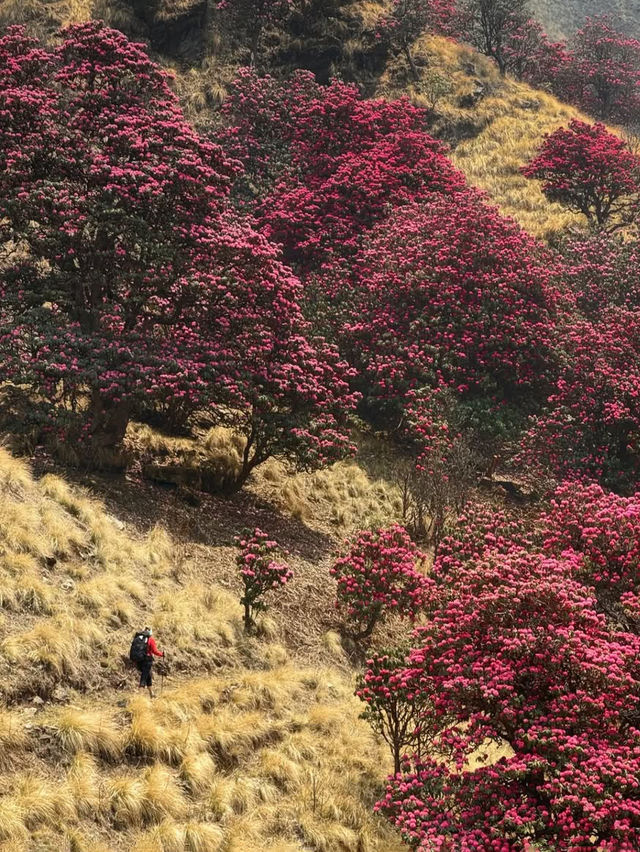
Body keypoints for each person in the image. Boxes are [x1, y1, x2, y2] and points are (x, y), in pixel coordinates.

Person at [136, 626, 164, 698]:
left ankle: (152, 694)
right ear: (150, 633)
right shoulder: (150, 639)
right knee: (144, 677)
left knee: (148, 676)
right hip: (147, 661)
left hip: (138, 660)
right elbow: (155, 651)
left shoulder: (138, 638)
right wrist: (162, 654)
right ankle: (139, 697)